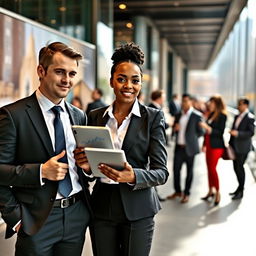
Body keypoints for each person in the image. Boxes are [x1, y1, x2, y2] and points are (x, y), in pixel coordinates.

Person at [74, 42, 169, 256]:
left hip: (138, 208)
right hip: (102, 207)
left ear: (140, 84)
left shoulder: (153, 118)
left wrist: (133, 175)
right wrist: (86, 167)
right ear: (111, 82)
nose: (128, 85)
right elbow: (88, 173)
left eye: (135, 81)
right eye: (121, 79)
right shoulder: (95, 117)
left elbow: (161, 172)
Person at [0, 42, 92, 256]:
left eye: (71, 73)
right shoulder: (13, 116)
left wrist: (86, 168)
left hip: (76, 215)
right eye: (60, 72)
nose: (66, 80)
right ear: (41, 71)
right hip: (36, 220)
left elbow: (83, 172)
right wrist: (15, 218)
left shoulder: (79, 116)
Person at [167, 93, 204, 203]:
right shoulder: (178, 115)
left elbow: (201, 132)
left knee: (189, 172)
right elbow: (174, 130)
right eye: (182, 101)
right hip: (179, 147)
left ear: (191, 102)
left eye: (186, 101)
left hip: (190, 149)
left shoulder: (197, 115)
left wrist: (191, 137)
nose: (183, 103)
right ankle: (178, 191)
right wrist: (175, 128)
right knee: (176, 171)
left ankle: (186, 193)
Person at [199, 95, 227, 206]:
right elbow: (206, 133)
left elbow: (220, 132)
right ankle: (210, 191)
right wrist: (204, 144)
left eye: (211, 102)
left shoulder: (222, 116)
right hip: (209, 145)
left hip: (217, 146)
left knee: (212, 169)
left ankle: (218, 192)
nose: (209, 104)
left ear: (217, 103)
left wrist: (208, 128)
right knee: (209, 169)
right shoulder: (211, 114)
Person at [229, 97, 255, 200]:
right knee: (236, 168)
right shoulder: (236, 116)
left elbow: (251, 132)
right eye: (238, 104)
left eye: (240, 104)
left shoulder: (250, 117)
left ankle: (241, 190)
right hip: (234, 146)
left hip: (243, 147)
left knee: (240, 168)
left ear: (246, 105)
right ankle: (238, 188)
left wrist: (238, 133)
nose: (238, 106)